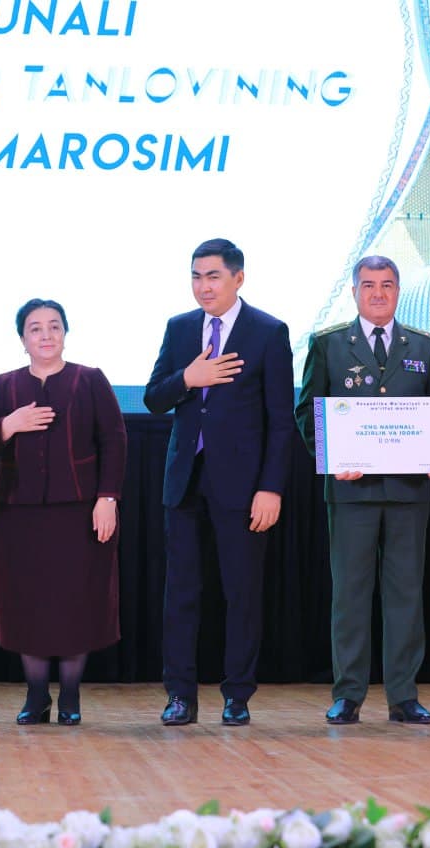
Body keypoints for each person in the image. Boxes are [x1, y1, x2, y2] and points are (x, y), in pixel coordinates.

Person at [294, 255, 430, 726]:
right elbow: (307, 411)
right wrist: (331, 459)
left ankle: (404, 696)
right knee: (350, 595)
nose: (378, 293)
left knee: (405, 594)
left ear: (398, 291)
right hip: (351, 491)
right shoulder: (328, 344)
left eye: (387, 285)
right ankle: (348, 695)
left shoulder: (424, 345)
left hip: (409, 490)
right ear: (354, 292)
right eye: (369, 285)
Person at [144, 237, 294, 727]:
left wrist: (271, 487)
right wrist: (188, 378)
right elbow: (153, 398)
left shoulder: (268, 332)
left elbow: (281, 420)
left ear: (238, 278)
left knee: (241, 593)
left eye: (213, 276)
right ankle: (180, 696)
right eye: (196, 276)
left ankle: (237, 695)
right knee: (181, 594)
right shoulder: (179, 328)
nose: (203, 286)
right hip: (185, 480)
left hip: (244, 486)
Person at [0, 299, 127, 725]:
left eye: (54, 326)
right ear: (23, 339)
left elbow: (114, 440)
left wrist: (108, 498)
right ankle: (36, 695)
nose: (46, 335)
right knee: (26, 605)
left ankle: (70, 697)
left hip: (80, 514)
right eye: (35, 328)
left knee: (77, 604)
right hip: (17, 515)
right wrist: (9, 424)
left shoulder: (90, 379)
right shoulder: (4, 385)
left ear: (65, 333)